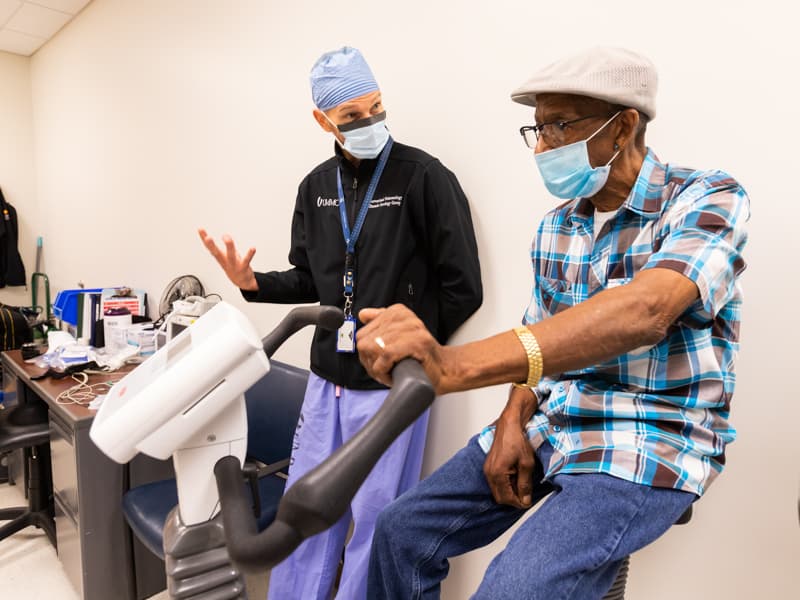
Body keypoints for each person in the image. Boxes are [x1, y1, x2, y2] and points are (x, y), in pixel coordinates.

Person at [356, 46, 749, 599]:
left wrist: (453, 365)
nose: (541, 147)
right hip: (558, 422)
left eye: (559, 125)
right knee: (399, 533)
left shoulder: (706, 197)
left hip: (651, 433)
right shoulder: (556, 227)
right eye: (536, 130)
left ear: (623, 127)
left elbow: (647, 310)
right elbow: (538, 333)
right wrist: (513, 419)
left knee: (512, 589)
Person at [199, 46, 482, 600]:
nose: (370, 121)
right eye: (352, 116)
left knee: (377, 522)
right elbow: (310, 278)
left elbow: (462, 287)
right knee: (303, 513)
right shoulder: (315, 187)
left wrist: (413, 350)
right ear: (323, 121)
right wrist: (253, 283)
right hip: (325, 379)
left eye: (376, 107)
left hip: (389, 389)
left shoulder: (423, 176)